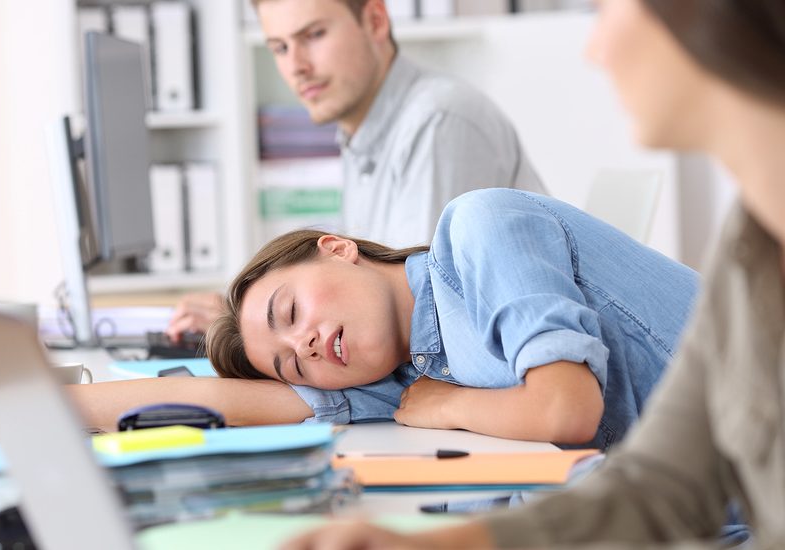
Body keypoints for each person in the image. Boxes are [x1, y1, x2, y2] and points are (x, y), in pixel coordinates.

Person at [279, 0, 785, 548]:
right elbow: (661, 488)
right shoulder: (748, 248)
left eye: (608, 12)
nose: (595, 50)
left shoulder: (458, 173)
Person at [71, 188, 698, 449]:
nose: (307, 346)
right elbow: (202, 398)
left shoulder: (480, 229)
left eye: (290, 311)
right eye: (293, 363)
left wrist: (447, 407)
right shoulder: (397, 372)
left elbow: (565, 410)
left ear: (338, 247)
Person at [165, 0, 546, 340]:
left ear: (375, 20)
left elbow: (418, 322)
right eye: (280, 47)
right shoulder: (360, 133)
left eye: (313, 35)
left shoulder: (437, 121)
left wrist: (257, 332)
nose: (296, 66)